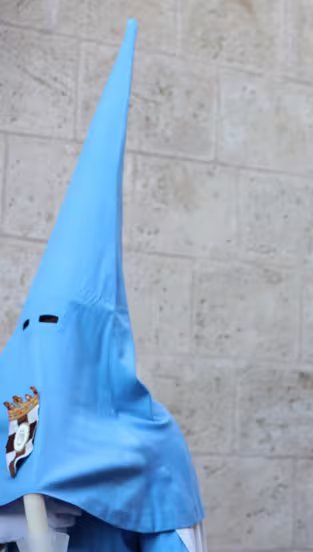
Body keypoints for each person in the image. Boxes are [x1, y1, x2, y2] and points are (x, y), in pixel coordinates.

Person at [0, 20, 204, 551]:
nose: (44, 346)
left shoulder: (149, 454)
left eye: (64, 330)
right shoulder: (9, 431)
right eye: (31, 329)